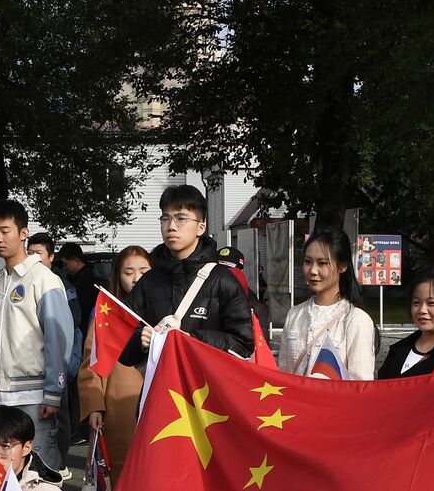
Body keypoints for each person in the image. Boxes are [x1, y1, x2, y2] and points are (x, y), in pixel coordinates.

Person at [0, 200, 74, 472]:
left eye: (5, 230)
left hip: (34, 395)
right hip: (0, 396)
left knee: (40, 469)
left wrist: (53, 393)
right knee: (7, 472)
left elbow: (58, 337)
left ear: (23, 233)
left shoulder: (43, 278)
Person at [117, 184, 253, 368]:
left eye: (181, 218)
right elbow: (120, 349)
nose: (171, 226)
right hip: (161, 389)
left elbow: (243, 345)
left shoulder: (223, 280)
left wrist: (191, 340)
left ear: (200, 228)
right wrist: (140, 340)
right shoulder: (149, 281)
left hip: (207, 391)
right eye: (165, 218)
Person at [78, 245, 151, 473]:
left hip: (158, 402)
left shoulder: (167, 311)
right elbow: (91, 364)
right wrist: (94, 406)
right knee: (119, 473)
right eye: (128, 273)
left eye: (144, 271)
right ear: (118, 277)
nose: (136, 278)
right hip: (117, 409)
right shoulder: (106, 316)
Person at [278, 228, 376, 379]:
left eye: (322, 263)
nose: (313, 271)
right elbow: (283, 374)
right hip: (294, 402)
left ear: (342, 266)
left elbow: (361, 385)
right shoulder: (295, 314)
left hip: (334, 402)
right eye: (308, 262)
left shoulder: (356, 320)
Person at [28, 232, 82, 464]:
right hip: (33, 368)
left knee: (59, 414)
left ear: (51, 256)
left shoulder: (60, 284)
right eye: (29, 253)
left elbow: (73, 320)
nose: (33, 258)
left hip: (59, 362)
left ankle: (59, 462)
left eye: (38, 254)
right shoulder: (22, 280)